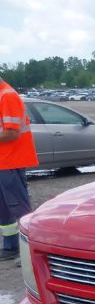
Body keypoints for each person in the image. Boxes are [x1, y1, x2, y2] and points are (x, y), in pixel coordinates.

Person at [0, 76, 37, 261]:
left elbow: (11, 133)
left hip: (11, 162)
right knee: (4, 209)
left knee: (19, 208)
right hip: (3, 162)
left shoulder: (7, 96)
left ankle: (30, 251)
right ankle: (10, 246)